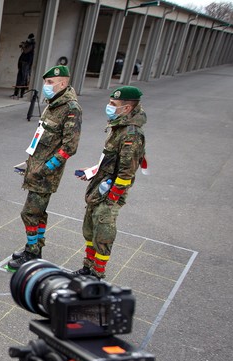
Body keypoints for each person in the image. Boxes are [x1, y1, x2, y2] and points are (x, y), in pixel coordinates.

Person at [8, 65, 82, 270]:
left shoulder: (70, 108)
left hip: (45, 174)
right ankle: (35, 247)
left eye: (50, 82)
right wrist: (29, 162)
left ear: (63, 83)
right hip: (36, 166)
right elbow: (41, 137)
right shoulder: (54, 104)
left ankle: (32, 253)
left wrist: (47, 167)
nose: (46, 86)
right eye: (46, 82)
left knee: (30, 213)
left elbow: (69, 146)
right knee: (38, 213)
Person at [72, 86, 146, 279]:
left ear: (127, 109)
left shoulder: (131, 135)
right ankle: (88, 267)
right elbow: (109, 160)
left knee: (103, 235)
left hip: (110, 194)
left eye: (113, 104)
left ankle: (97, 274)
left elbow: (126, 173)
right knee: (89, 231)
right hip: (99, 188)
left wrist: (111, 199)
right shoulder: (118, 127)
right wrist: (92, 172)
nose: (109, 107)